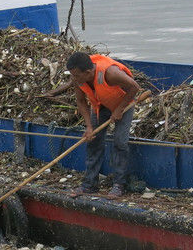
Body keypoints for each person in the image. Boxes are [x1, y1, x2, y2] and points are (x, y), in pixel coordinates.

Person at [44, 51, 140, 198]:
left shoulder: (110, 73)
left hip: (123, 104)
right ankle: (90, 185)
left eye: (76, 75)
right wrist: (89, 127)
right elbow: (81, 102)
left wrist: (119, 110)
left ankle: (119, 185)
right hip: (100, 106)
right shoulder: (78, 78)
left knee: (120, 142)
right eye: (73, 75)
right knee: (93, 141)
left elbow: (134, 87)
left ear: (88, 72)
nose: (73, 79)